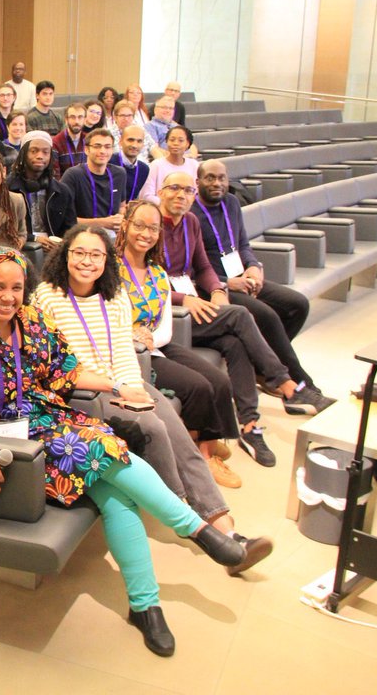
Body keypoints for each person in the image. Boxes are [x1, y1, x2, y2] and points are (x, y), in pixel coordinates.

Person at [0, 245, 250, 656]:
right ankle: (196, 529)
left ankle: (145, 605)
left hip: (49, 419)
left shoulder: (31, 321)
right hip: (11, 441)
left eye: (16, 287)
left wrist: (119, 385)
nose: (8, 297)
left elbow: (68, 369)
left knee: (118, 496)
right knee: (104, 449)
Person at [32, 226, 271, 568]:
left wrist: (135, 389)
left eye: (96, 254)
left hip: (125, 384)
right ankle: (190, 521)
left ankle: (226, 531)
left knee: (178, 434)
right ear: (65, 255)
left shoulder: (114, 296)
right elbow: (56, 365)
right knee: (153, 428)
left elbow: (125, 352)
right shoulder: (46, 297)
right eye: (79, 253)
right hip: (82, 394)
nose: (87, 261)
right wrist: (117, 390)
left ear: (105, 260)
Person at [157, 171, 330, 467]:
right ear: (160, 191)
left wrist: (217, 290)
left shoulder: (191, 222)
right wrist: (183, 298)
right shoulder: (151, 226)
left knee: (236, 343)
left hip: (194, 302)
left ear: (193, 194)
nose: (180, 195)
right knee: (241, 315)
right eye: (173, 188)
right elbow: (141, 283)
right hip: (169, 313)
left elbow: (203, 267)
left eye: (187, 190)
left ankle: (249, 426)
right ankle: (285, 384)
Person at [116, 200, 244, 488]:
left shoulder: (158, 273)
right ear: (125, 226)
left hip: (156, 343)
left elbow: (164, 324)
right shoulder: (110, 270)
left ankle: (207, 437)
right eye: (139, 226)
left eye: (153, 228)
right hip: (130, 352)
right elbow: (105, 318)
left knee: (219, 380)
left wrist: (151, 339)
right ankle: (206, 455)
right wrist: (136, 340)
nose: (145, 234)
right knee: (198, 386)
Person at [193, 160, 334, 408]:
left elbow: (243, 244)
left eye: (222, 178)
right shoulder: (192, 214)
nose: (217, 183)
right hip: (214, 287)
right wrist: (227, 282)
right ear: (198, 182)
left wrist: (254, 267)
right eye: (210, 178)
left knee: (296, 304)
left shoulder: (232, 204)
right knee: (267, 316)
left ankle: (263, 368)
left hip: (243, 276)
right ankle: (300, 385)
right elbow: (196, 268)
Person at [6, 131, 75, 251]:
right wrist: (34, 239)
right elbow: (4, 228)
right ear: (23, 154)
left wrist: (62, 244)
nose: (40, 156)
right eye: (34, 151)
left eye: (45, 152)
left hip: (54, 251)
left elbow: (71, 228)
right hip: (21, 249)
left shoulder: (62, 191)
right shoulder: (8, 188)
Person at [60, 128, 126, 231]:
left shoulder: (119, 173)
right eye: (97, 146)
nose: (102, 151)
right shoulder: (73, 175)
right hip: (81, 234)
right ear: (86, 149)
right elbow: (64, 219)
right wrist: (103, 223)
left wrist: (121, 218)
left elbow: (122, 206)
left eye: (107, 147)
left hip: (113, 235)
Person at [139, 126, 197, 202]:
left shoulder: (194, 165)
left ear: (187, 144)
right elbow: (146, 195)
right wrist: (167, 205)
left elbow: (196, 193)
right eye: (172, 140)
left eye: (181, 140)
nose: (176, 143)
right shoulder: (156, 165)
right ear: (166, 142)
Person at [115, 124, 151, 204]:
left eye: (139, 141)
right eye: (130, 140)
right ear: (120, 141)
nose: (135, 145)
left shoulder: (144, 169)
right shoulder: (109, 162)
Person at [50, 102, 87, 178]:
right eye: (73, 117)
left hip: (87, 186)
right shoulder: (56, 142)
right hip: (66, 186)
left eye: (80, 117)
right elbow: (55, 175)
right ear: (66, 119)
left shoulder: (89, 140)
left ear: (85, 120)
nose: (76, 121)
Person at [108, 100, 150, 164]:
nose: (126, 119)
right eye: (122, 115)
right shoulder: (108, 134)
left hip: (144, 166)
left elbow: (154, 148)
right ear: (115, 117)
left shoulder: (141, 130)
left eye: (129, 115)